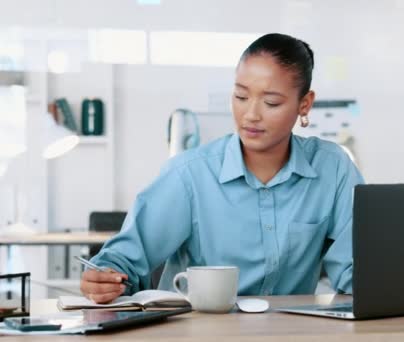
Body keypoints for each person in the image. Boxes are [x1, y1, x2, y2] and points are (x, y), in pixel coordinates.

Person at [80, 33, 364, 304]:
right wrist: (103, 279)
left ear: (305, 104)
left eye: (271, 102)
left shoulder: (333, 168)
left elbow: (358, 274)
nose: (250, 114)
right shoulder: (190, 175)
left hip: (288, 333)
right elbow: (121, 261)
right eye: (241, 97)